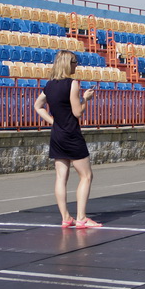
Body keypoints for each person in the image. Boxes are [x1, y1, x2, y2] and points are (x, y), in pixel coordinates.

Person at [34, 50, 102, 228]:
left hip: (57, 134)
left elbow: (38, 106)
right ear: (67, 63)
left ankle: (66, 217)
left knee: (61, 177)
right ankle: (81, 217)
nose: (76, 65)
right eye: (74, 62)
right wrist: (86, 99)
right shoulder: (72, 84)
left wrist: (53, 122)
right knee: (86, 176)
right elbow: (77, 112)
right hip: (71, 133)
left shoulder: (49, 85)